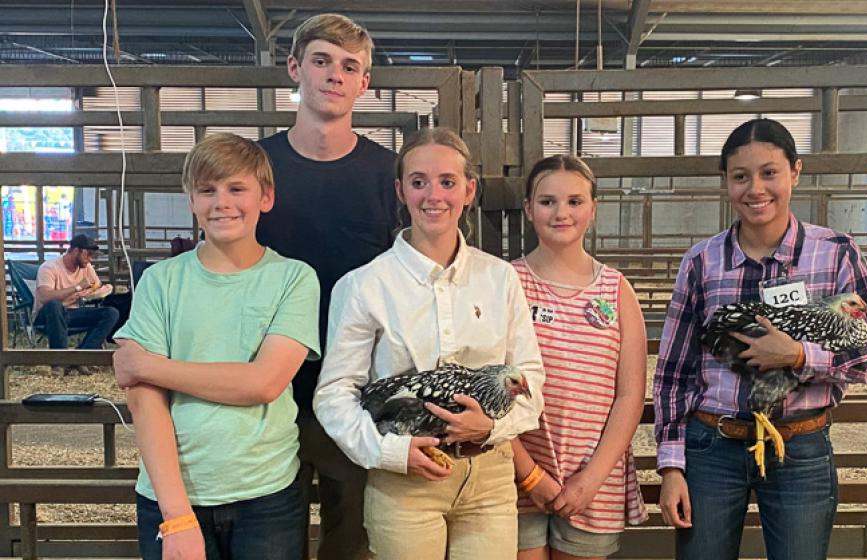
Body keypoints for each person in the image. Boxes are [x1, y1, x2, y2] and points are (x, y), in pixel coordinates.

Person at [654, 118, 867, 560]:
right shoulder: (702, 261)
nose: (756, 189)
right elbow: (674, 372)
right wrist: (672, 464)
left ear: (795, 172)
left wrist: (800, 355)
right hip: (713, 445)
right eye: (740, 176)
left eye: (769, 172)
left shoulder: (836, 254)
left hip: (799, 443)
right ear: (726, 181)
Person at [313, 127, 545, 560]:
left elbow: (530, 377)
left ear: (469, 191)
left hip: (489, 477)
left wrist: (492, 428)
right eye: (418, 182)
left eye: (447, 182)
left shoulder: (499, 278)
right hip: (405, 482)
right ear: (401, 190)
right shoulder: (365, 286)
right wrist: (390, 451)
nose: (433, 195)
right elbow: (334, 394)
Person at [112, 133, 321, 559]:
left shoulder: (294, 278)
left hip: (265, 491)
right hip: (172, 495)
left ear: (266, 197)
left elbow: (264, 383)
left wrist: (149, 366)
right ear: (191, 201)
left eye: (236, 188)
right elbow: (143, 400)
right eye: (207, 190)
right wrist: (177, 516)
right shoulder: (162, 281)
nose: (221, 202)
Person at [255, 14, 397, 559]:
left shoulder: (390, 175)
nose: (334, 75)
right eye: (321, 60)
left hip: (358, 391)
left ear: (364, 83)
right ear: (295, 68)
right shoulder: (256, 167)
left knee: (352, 541)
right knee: (269, 539)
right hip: (266, 390)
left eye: (349, 66)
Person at [511, 155, 647, 560]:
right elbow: (488, 387)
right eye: (547, 201)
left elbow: (630, 394)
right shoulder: (505, 282)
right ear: (528, 208)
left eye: (574, 201)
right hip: (516, 473)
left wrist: (592, 478)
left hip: (593, 479)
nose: (561, 213)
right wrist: (530, 475)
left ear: (592, 209)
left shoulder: (617, 290)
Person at [33, 233, 119, 367]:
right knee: (54, 305)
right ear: (76, 250)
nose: (90, 259)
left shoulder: (86, 267)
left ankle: (81, 358)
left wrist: (99, 291)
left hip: (72, 312)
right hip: (48, 316)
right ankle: (60, 361)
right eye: (88, 254)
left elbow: (94, 285)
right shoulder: (49, 267)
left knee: (111, 313)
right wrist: (77, 287)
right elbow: (45, 297)